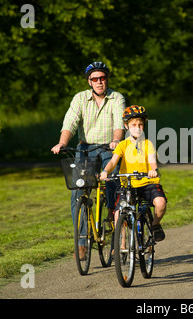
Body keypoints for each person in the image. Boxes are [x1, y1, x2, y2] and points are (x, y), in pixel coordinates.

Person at [51, 61, 126, 257]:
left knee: (112, 184)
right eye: (95, 79)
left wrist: (116, 140)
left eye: (102, 78)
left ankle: (114, 221)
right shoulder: (80, 98)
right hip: (85, 149)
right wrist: (61, 143)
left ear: (107, 80)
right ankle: (82, 239)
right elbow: (71, 122)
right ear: (89, 82)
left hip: (109, 147)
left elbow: (120, 123)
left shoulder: (116, 98)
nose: (99, 82)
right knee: (78, 192)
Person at [99, 105, 166, 242]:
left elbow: (152, 160)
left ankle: (155, 224)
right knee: (118, 214)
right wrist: (105, 171)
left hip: (148, 183)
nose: (137, 127)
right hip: (128, 185)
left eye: (140, 125)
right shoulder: (122, 145)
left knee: (161, 203)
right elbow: (112, 162)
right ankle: (122, 243)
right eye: (134, 124)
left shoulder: (148, 144)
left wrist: (153, 170)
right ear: (126, 126)